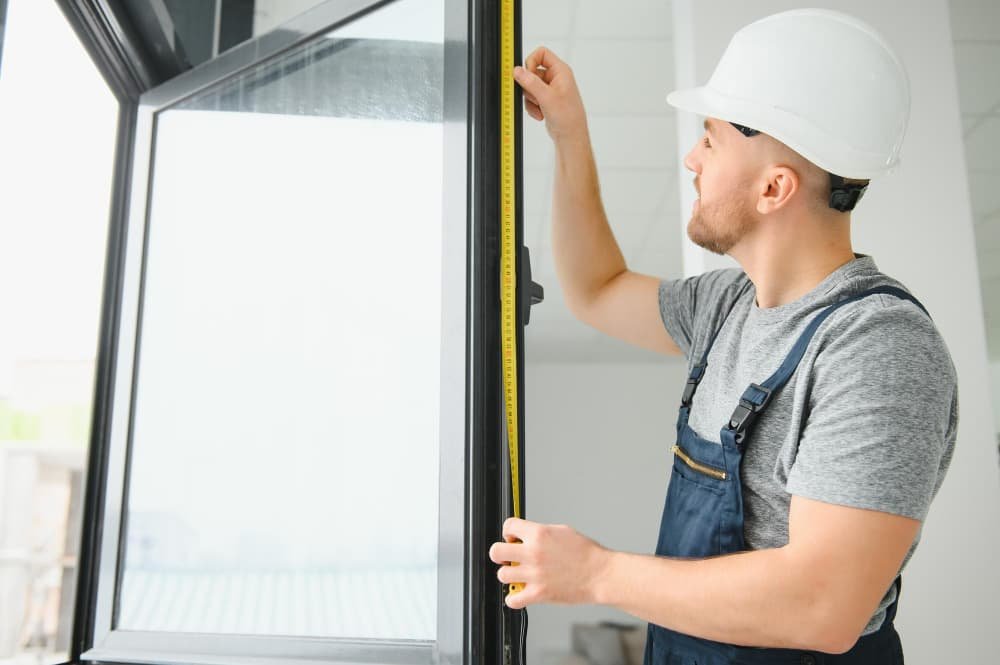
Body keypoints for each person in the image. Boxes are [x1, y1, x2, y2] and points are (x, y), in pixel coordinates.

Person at [488, 8, 958, 663]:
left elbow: (825, 605)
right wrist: (570, 134)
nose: (692, 157)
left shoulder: (878, 348)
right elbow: (597, 290)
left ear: (774, 187)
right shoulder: (729, 305)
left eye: (710, 139)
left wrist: (595, 572)